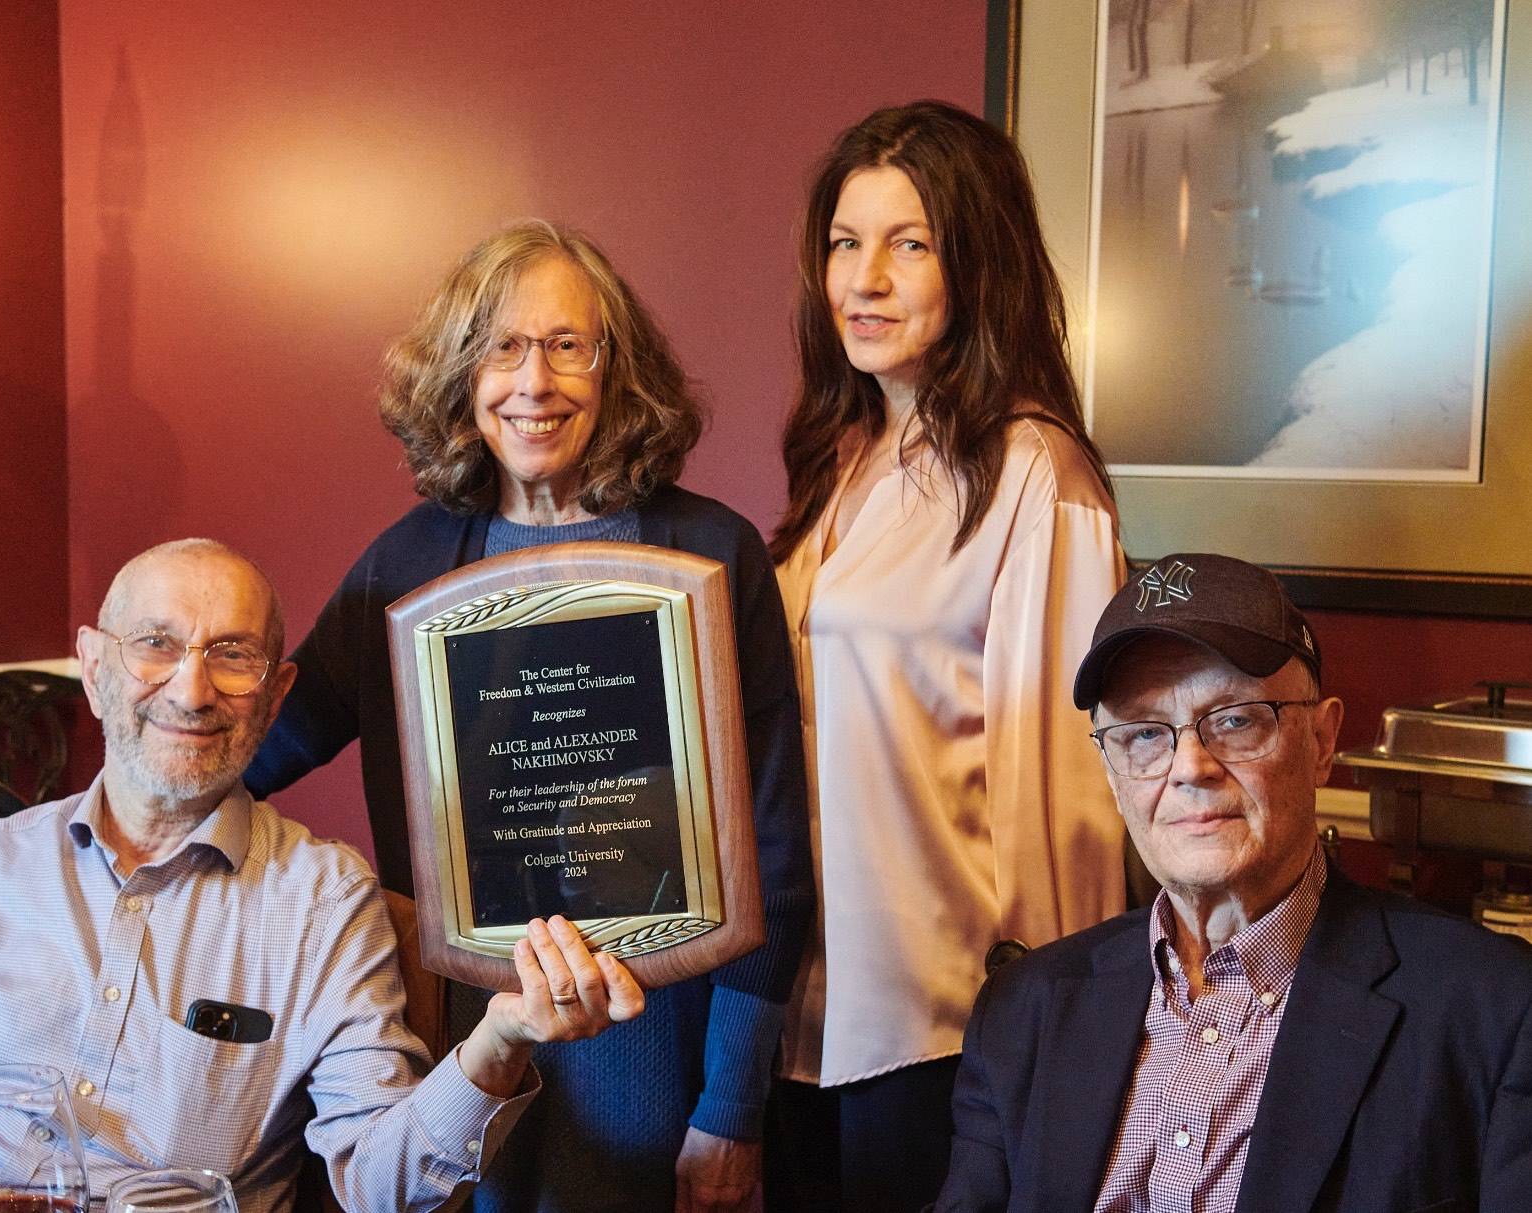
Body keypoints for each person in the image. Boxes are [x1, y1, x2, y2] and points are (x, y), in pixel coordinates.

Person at [245, 221, 814, 1212]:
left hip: (659, 1036)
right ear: (461, 374)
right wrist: (103, 826)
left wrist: (731, 1105)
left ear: (615, 367)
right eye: (500, 347)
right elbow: (264, 745)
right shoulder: (406, 566)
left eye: (566, 346)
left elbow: (768, 854)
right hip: (471, 1032)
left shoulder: (706, 554)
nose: (532, 381)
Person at [0, 539, 644, 1213]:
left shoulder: (323, 900)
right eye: (155, 644)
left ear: (276, 693)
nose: (192, 689)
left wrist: (502, 1039)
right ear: (95, 667)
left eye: (231, 655)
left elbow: (379, 1181)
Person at [766, 100, 1127, 1210]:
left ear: (976, 262)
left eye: (906, 243)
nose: (861, 279)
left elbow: (1066, 791)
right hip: (796, 1013)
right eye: (842, 242)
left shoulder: (1036, 474)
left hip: (942, 1030)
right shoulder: (841, 456)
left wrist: (1053, 1044)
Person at [936, 553, 1532, 1212]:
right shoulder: (1022, 1010)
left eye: (1235, 719)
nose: (1189, 766)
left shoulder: (1493, 1014)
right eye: (1142, 733)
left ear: (1322, 740)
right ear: (1108, 768)